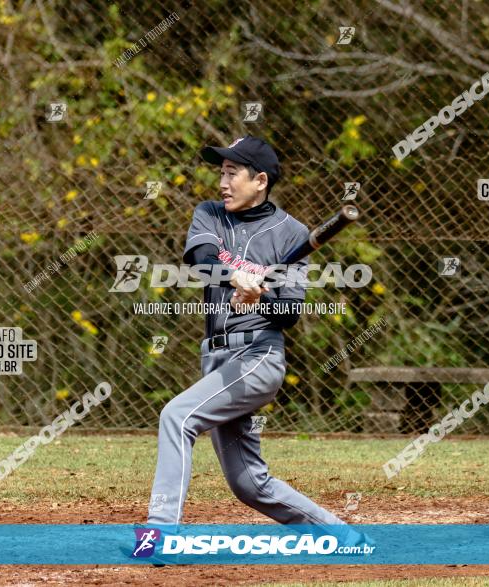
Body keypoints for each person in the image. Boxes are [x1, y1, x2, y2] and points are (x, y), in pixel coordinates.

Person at [145, 135, 351, 533]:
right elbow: (202, 261)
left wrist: (261, 300)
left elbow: (290, 312)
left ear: (259, 180)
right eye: (221, 172)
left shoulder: (292, 232)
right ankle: (342, 535)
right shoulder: (210, 214)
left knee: (177, 416)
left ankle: (159, 532)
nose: (222, 182)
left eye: (232, 173)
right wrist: (233, 274)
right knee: (249, 484)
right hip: (216, 360)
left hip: (258, 357)